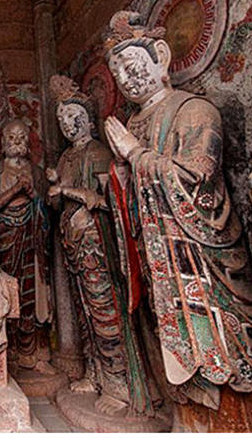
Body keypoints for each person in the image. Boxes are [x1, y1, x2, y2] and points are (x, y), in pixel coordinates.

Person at [102, 11, 252, 428]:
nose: (129, 81)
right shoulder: (135, 122)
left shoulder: (194, 111)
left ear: (162, 59)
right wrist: (118, 175)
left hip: (203, 258)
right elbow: (133, 187)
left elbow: (197, 180)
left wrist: (135, 156)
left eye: (134, 68)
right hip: (161, 258)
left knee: (226, 349)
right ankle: (190, 419)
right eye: (120, 77)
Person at [47, 75, 158, 417]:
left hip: (96, 243)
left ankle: (121, 386)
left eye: (73, 118)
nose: (68, 125)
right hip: (74, 244)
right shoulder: (66, 158)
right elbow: (56, 206)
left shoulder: (98, 153)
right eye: (62, 120)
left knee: (105, 311)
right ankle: (97, 375)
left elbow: (105, 199)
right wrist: (55, 189)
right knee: (85, 313)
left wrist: (66, 190)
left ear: (87, 118)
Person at [0, 119, 54, 373]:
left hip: (32, 240)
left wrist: (34, 194)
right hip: (6, 239)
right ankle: (8, 352)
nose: (16, 143)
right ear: (2, 143)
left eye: (21, 138)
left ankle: (34, 353)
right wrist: (14, 190)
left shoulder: (36, 171)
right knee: (6, 293)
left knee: (34, 295)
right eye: (11, 138)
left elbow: (47, 209)